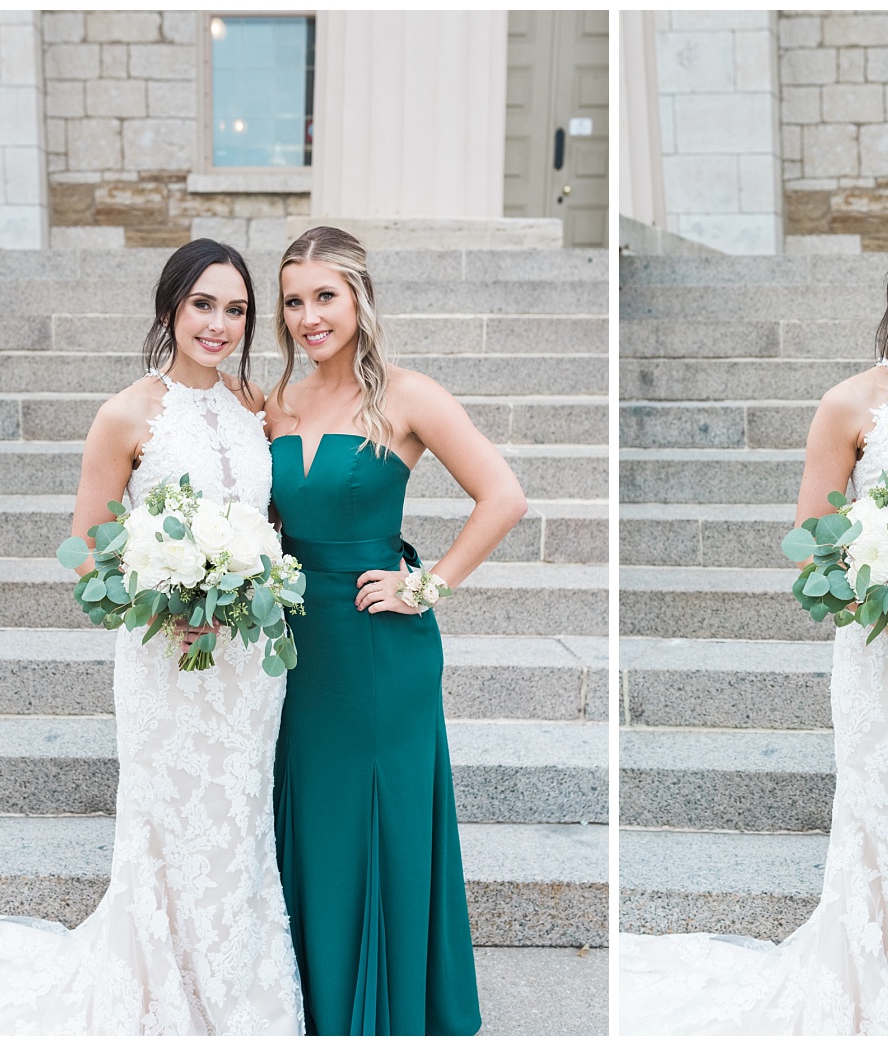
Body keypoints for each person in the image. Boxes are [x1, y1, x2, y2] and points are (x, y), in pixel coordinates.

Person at [620, 224, 888, 1034]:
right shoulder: (850, 403)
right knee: (885, 823)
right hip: (884, 656)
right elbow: (812, 549)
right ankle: (877, 997)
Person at [0, 240, 306, 1035]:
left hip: (245, 663)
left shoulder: (256, 404)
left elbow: (275, 517)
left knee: (239, 819)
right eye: (204, 304)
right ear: (170, 305)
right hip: (166, 655)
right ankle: (158, 999)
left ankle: (238, 992)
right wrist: (171, 596)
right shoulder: (128, 412)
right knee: (169, 822)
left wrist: (253, 584)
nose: (220, 324)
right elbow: (90, 548)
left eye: (236, 309)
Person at [265, 226, 527, 1035]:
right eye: (293, 301)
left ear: (360, 299)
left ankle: (383, 1007)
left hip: (380, 644)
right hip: (299, 646)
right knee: (316, 816)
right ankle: (314, 997)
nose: (309, 316)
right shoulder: (273, 402)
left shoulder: (408, 396)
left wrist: (428, 584)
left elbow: (505, 496)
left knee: (380, 818)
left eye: (324, 297)